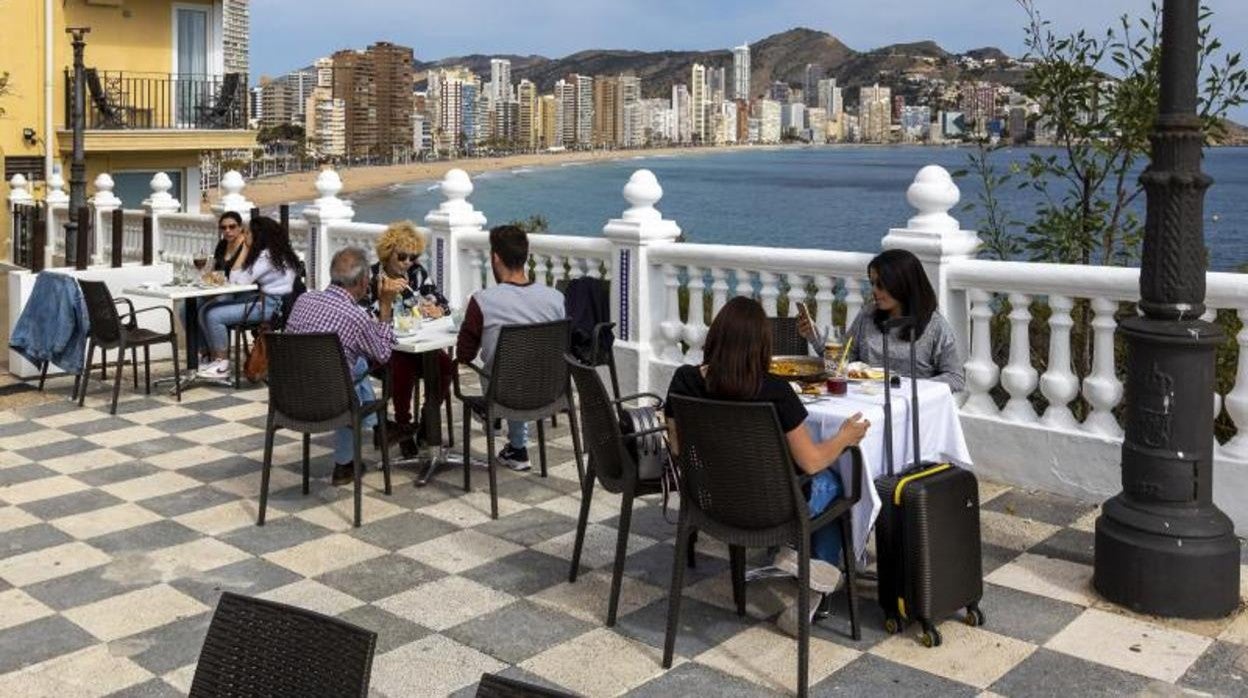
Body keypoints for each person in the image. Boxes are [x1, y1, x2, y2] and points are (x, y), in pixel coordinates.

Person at [665, 296, 870, 638]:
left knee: (819, 479)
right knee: (832, 481)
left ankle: (809, 578)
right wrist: (845, 437)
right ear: (762, 347)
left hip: (711, 503)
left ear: (715, 337)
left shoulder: (684, 381)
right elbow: (812, 461)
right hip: (772, 512)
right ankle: (806, 575)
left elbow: (677, 448)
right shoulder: (774, 392)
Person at [455, 224, 564, 472]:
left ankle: (491, 415)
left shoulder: (483, 301)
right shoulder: (556, 299)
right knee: (521, 367)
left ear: (495, 258)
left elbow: (464, 355)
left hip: (503, 394)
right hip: (549, 391)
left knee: (498, 369)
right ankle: (517, 449)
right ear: (525, 257)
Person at [286, 247, 398, 485]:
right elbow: (384, 355)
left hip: (289, 400)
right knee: (348, 382)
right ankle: (347, 462)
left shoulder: (304, 299)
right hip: (331, 404)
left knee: (353, 365)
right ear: (362, 282)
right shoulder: (356, 316)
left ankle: (377, 429)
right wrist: (386, 308)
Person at [799, 249, 965, 391]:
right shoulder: (868, 316)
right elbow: (840, 364)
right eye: (872, 283)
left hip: (913, 410)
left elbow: (956, 378)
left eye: (881, 285)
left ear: (903, 284)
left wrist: (909, 387)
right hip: (865, 399)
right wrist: (813, 337)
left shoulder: (935, 326)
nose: (874, 291)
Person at [363, 221, 451, 457]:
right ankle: (403, 427)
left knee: (445, 366)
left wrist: (437, 309)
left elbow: (441, 301)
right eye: (402, 257)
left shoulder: (417, 274)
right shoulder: (371, 278)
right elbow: (363, 318)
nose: (407, 263)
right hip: (382, 347)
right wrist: (386, 299)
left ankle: (427, 420)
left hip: (417, 342)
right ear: (388, 252)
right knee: (404, 367)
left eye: (413, 257)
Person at [196, 216, 299, 380]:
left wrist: (244, 248)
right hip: (270, 302)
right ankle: (215, 359)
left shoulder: (266, 257)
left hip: (272, 307)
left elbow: (238, 280)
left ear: (258, 235)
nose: (245, 235)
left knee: (212, 314)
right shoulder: (278, 253)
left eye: (248, 233)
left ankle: (222, 365)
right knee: (205, 309)